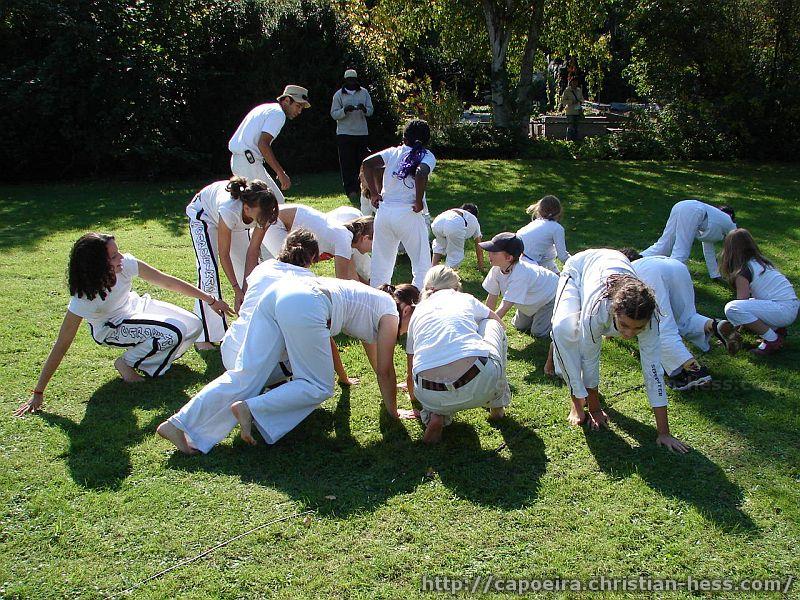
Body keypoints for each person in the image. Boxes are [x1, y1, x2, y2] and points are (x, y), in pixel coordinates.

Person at [158, 278, 417, 454]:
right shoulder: (389, 314)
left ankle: (177, 424)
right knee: (318, 385)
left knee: (246, 375)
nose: (403, 334)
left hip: (279, 293)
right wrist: (394, 413)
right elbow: (385, 370)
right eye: (409, 329)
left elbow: (378, 365)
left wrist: (384, 398)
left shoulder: (376, 304)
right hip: (305, 301)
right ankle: (250, 408)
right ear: (406, 311)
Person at [14, 233, 233, 416]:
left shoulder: (125, 264)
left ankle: (151, 359)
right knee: (172, 333)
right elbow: (62, 343)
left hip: (136, 307)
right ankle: (126, 363)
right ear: (96, 265)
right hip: (111, 327)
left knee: (194, 325)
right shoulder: (83, 298)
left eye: (118, 252)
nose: (120, 258)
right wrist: (38, 391)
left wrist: (210, 300)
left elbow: (166, 281)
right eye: (113, 256)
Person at [550, 248, 689, 453]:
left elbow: (653, 371)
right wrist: (595, 409)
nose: (629, 334)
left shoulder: (652, 319)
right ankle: (577, 401)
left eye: (637, 328)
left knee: (573, 334)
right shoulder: (597, 310)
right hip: (578, 269)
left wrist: (664, 433)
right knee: (563, 329)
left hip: (613, 262)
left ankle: (582, 395)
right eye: (624, 325)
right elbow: (590, 358)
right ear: (614, 311)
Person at [403, 266, 510, 444]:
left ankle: (435, 414)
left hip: (429, 392)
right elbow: (498, 322)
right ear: (455, 286)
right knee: (491, 324)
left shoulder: (417, 313)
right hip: (478, 380)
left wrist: (416, 398)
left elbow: (411, 365)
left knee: (429, 363)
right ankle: (497, 405)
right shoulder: (465, 298)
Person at [186, 177, 279, 349]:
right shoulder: (230, 209)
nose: (265, 219)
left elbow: (252, 252)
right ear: (247, 208)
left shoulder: (265, 213)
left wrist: (244, 291)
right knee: (209, 270)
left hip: (233, 222)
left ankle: (251, 324)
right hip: (204, 215)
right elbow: (224, 254)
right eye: (261, 216)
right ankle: (204, 336)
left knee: (253, 272)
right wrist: (236, 289)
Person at [621, 249, 715, 390]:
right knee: (685, 317)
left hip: (652, 272)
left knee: (661, 326)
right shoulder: (649, 259)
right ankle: (714, 325)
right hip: (677, 266)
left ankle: (693, 371)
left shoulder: (632, 269)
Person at [363, 119, 435, 290]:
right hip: (408, 212)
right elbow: (421, 172)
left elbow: (367, 163)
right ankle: (419, 300)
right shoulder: (427, 156)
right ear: (427, 140)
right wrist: (418, 200)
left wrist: (374, 193)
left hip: (385, 212)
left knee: (381, 265)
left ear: (404, 137)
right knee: (421, 264)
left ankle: (378, 299)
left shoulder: (393, 152)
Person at [480, 233, 559, 374]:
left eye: (494, 252)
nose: (489, 254)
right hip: (529, 301)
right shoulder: (497, 268)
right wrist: (483, 320)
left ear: (509, 258)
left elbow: (504, 307)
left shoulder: (520, 274)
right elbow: (492, 297)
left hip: (549, 298)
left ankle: (553, 318)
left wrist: (485, 330)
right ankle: (534, 315)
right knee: (519, 326)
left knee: (538, 332)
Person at [717, 228, 799, 356]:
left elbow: (740, 304)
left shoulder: (743, 271)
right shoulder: (761, 263)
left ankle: (773, 340)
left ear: (729, 250)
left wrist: (731, 334)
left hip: (782, 310)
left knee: (731, 308)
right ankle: (777, 329)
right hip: (790, 306)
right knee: (746, 305)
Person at [228, 85, 311, 204]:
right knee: (276, 203)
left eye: (301, 108)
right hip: (248, 163)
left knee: (253, 205)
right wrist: (281, 173)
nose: (299, 111)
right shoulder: (278, 114)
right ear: (287, 100)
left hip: (240, 160)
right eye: (298, 106)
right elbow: (263, 144)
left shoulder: (266, 108)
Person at [261, 204, 373, 281]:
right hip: (275, 222)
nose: (373, 249)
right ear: (365, 238)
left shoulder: (346, 238)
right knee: (290, 271)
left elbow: (352, 277)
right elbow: (341, 282)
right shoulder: (344, 241)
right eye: (374, 244)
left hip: (279, 218)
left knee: (297, 273)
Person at [640, 199, 736, 279]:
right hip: (693, 210)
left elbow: (708, 249)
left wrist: (715, 274)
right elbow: (737, 250)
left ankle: (635, 261)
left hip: (680, 205)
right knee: (681, 252)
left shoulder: (716, 220)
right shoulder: (731, 226)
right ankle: (672, 280)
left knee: (663, 245)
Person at [330, 69, 374, 203]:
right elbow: (334, 114)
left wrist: (364, 109)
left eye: (353, 80)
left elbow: (371, 110)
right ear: (345, 80)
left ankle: (364, 188)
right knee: (347, 163)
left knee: (362, 162)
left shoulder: (364, 92)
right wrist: (344, 110)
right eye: (349, 80)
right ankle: (351, 190)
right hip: (344, 133)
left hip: (361, 133)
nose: (351, 82)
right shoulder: (339, 94)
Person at [516, 194, 570, 272]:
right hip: (526, 264)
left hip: (513, 256)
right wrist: (577, 263)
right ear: (559, 211)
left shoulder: (536, 223)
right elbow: (562, 256)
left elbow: (548, 256)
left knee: (551, 251)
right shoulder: (557, 228)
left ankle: (556, 274)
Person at [430, 203, 485, 270]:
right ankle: (446, 274)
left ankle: (432, 271)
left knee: (439, 245)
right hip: (454, 223)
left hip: (437, 221)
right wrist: (481, 266)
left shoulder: (455, 211)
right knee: (455, 255)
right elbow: (479, 246)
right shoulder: (474, 220)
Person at [561, 77, 583, 141]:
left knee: (576, 127)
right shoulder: (567, 91)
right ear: (571, 83)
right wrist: (572, 102)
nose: (575, 83)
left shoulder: (579, 90)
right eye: (574, 82)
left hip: (577, 111)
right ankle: (568, 140)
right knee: (570, 127)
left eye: (576, 82)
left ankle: (576, 141)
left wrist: (580, 101)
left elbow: (582, 99)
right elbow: (563, 101)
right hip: (570, 111)